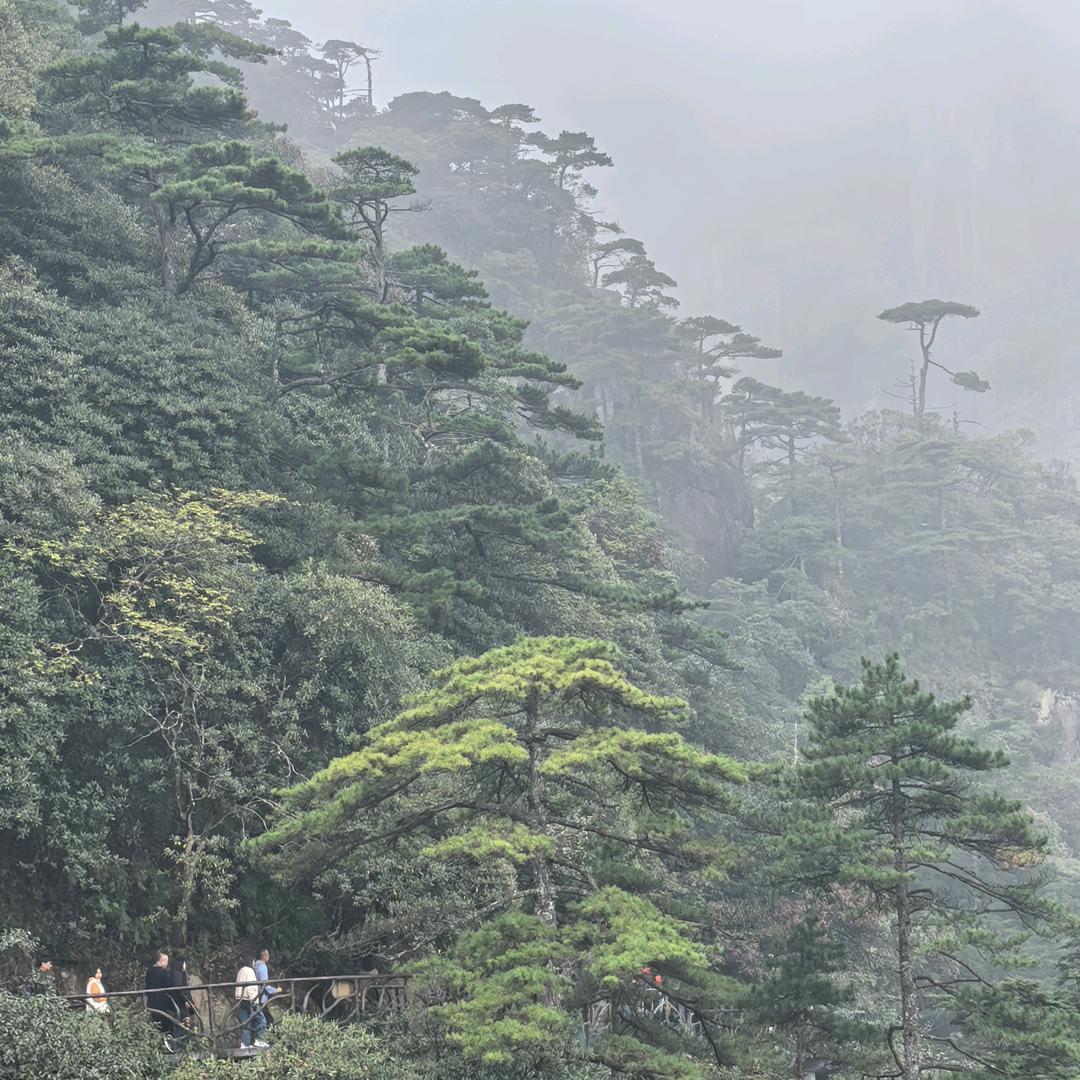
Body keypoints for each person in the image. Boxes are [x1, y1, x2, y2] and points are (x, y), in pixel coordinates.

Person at [144, 951, 178, 1044]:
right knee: (168, 1025)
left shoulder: (149, 972)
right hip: (164, 1003)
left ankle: (159, 1044)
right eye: (166, 961)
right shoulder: (163, 973)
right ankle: (170, 1045)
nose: (167, 963)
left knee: (157, 1025)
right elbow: (169, 986)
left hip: (152, 1002)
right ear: (161, 961)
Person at [234, 954, 267, 1049]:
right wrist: (254, 1000)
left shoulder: (241, 970)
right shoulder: (250, 971)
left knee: (245, 1022)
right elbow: (251, 987)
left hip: (241, 999)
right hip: (249, 999)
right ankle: (259, 1040)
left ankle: (245, 1043)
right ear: (251, 961)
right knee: (261, 1020)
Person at [252, 946, 282, 1028]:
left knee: (257, 1019)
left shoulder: (255, 965)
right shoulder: (262, 967)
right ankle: (263, 1039)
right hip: (261, 997)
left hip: (254, 995)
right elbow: (264, 984)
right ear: (264, 956)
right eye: (268, 954)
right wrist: (276, 990)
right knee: (268, 1020)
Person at [168, 957, 195, 1044]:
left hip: (179, 1003)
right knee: (183, 1024)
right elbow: (179, 989)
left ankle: (181, 1043)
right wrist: (186, 1000)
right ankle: (178, 1044)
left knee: (183, 1024)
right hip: (181, 1004)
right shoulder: (178, 974)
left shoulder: (173, 973)